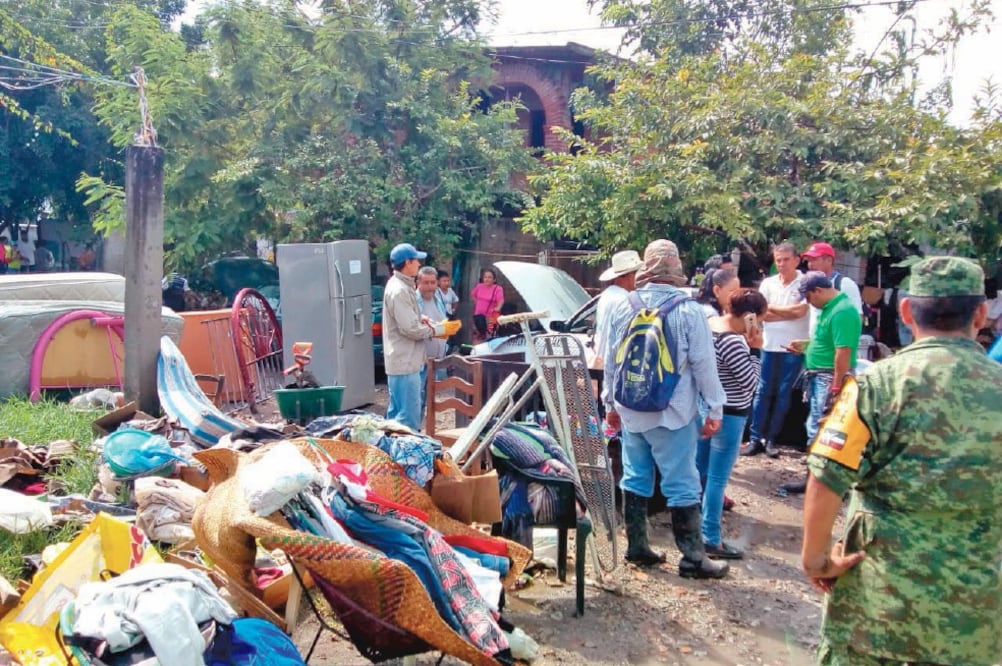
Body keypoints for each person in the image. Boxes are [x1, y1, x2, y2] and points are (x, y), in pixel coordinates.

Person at [800, 256, 1001, 665]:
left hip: (878, 604)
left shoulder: (875, 384)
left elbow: (825, 477)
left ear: (907, 311)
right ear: (980, 314)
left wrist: (816, 560)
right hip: (976, 612)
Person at [602, 239, 729, 579]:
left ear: (646, 266)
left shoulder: (623, 306)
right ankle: (692, 559)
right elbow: (704, 365)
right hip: (672, 412)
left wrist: (610, 403)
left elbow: (613, 359)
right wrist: (715, 408)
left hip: (631, 410)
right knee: (682, 482)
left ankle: (637, 548)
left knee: (634, 475)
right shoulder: (688, 310)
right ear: (676, 268)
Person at [696, 289, 766, 560]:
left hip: (706, 407)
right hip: (731, 411)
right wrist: (756, 351)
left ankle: (696, 529)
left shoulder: (710, 326)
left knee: (701, 471)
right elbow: (750, 382)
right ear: (749, 317)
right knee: (717, 478)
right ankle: (711, 537)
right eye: (759, 318)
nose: (759, 325)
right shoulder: (734, 341)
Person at [781, 271, 861, 495]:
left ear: (819, 291)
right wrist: (806, 346)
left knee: (822, 429)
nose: (808, 303)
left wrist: (836, 387)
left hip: (829, 377)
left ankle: (822, 483)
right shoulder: (830, 309)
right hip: (820, 374)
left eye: (809, 297)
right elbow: (828, 342)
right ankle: (815, 479)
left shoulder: (842, 311)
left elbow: (843, 352)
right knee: (814, 427)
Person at [741, 242, 809, 458]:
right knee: (762, 391)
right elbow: (759, 314)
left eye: (785, 260)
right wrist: (777, 312)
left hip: (793, 347)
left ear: (797, 260)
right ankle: (755, 438)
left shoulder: (804, 283)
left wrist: (769, 309)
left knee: (783, 393)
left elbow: (800, 311)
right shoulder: (769, 283)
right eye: (778, 260)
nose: (781, 264)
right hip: (768, 344)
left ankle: (771, 439)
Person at [383, 243, 460, 431]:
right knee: (407, 421)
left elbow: (409, 318)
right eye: (416, 260)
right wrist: (438, 330)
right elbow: (410, 329)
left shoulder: (401, 285)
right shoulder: (400, 290)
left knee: (395, 418)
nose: (418, 263)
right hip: (406, 362)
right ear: (408, 262)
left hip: (403, 361)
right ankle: (405, 458)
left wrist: (423, 318)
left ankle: (391, 457)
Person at [594, 249, 644, 365]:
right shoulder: (626, 300)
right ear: (629, 276)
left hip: (602, 360)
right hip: (615, 363)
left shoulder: (607, 294)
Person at [801, 241, 863, 331]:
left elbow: (857, 319)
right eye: (808, 260)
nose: (810, 264)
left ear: (829, 260)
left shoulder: (844, 284)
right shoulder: (810, 284)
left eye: (814, 260)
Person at [417, 265, 449, 412]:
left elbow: (441, 322)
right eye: (426, 283)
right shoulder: (414, 301)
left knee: (427, 397)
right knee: (416, 398)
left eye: (432, 282)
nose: (430, 286)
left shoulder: (438, 299)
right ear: (418, 283)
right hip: (419, 360)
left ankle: (418, 429)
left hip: (435, 359)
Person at [470, 267, 503, 343]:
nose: (487, 279)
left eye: (489, 277)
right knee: (478, 335)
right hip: (478, 315)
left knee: (489, 336)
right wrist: (478, 304)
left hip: (490, 317)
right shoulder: (479, 286)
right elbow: (473, 295)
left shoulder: (498, 289)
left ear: (494, 280)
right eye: (485, 277)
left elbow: (501, 300)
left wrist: (497, 308)